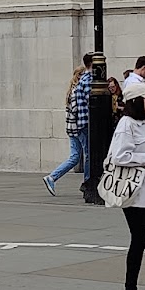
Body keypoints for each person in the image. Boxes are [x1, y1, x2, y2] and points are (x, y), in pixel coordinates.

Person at [104, 81, 145, 290]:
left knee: (141, 239)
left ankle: (133, 289)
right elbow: (118, 156)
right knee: (138, 239)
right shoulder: (126, 125)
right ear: (138, 101)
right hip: (132, 191)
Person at [44, 65, 90, 197]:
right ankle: (87, 181)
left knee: (75, 157)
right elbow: (77, 111)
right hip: (78, 128)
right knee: (87, 155)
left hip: (71, 128)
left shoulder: (71, 90)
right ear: (80, 76)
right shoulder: (77, 91)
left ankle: (52, 177)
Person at [83, 53, 120, 204]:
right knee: (85, 156)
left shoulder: (81, 81)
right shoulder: (89, 81)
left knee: (85, 155)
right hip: (89, 123)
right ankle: (91, 185)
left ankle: (89, 184)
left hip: (85, 124)